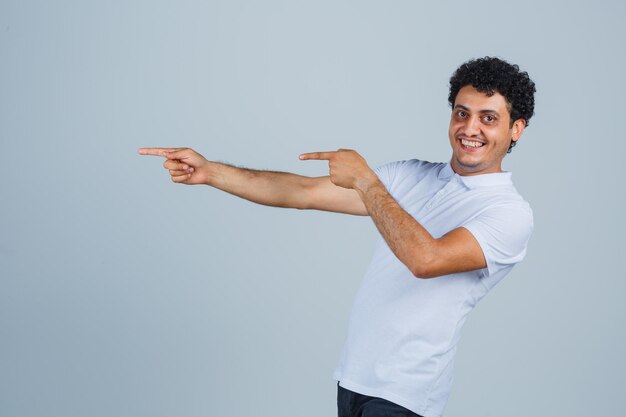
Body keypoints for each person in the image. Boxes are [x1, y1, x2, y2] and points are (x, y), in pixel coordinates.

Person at [139, 56, 536, 417]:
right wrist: (211, 172)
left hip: (405, 397)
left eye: (488, 118)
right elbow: (302, 193)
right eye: (461, 113)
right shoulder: (410, 175)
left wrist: (367, 181)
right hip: (353, 384)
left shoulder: (508, 213)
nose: (469, 128)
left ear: (515, 129)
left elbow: (426, 260)